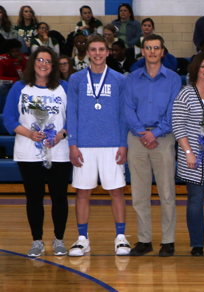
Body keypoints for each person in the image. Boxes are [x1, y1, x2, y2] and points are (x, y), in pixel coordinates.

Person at [64, 35, 130, 257]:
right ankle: (82, 239)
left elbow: (123, 115)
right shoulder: (76, 79)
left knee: (116, 192)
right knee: (83, 193)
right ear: (87, 52)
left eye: (102, 49)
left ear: (108, 52)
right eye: (93, 49)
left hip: (112, 144)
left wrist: (123, 143)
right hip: (84, 144)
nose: (98, 53)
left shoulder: (120, 79)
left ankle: (121, 237)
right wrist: (72, 143)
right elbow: (71, 113)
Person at [3, 47, 71, 257]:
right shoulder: (19, 88)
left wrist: (61, 134)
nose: (44, 64)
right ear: (33, 63)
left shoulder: (64, 87)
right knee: (34, 197)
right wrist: (30, 134)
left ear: (54, 66)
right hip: (28, 152)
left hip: (59, 152)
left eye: (48, 61)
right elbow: (9, 119)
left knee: (59, 196)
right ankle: (37, 240)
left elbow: (74, 118)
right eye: (40, 60)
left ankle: (59, 240)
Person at [122, 34, 181, 257]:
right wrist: (142, 133)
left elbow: (173, 111)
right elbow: (127, 110)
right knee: (139, 193)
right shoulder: (131, 78)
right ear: (143, 52)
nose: (153, 51)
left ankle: (168, 240)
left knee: (166, 193)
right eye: (149, 48)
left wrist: (154, 133)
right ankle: (144, 240)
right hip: (137, 139)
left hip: (163, 138)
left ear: (162, 52)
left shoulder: (174, 79)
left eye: (157, 48)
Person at [172, 52, 204, 256]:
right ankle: (196, 243)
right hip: (193, 156)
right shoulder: (186, 93)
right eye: (203, 66)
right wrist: (188, 152)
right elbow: (178, 124)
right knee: (195, 200)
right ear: (196, 69)